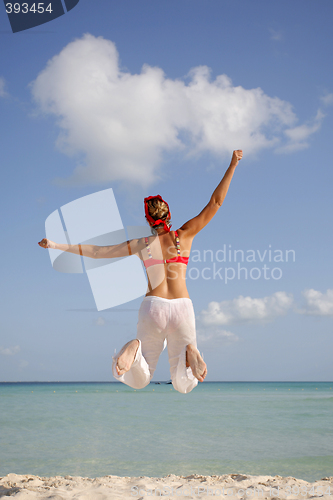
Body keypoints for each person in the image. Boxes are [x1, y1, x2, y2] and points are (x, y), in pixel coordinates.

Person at [39, 149, 242, 394]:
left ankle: (134, 352)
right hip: (182, 307)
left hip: (152, 308)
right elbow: (215, 203)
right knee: (183, 385)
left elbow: (97, 252)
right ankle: (190, 354)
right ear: (169, 214)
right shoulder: (185, 235)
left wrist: (56, 245)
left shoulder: (143, 244)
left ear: (149, 221)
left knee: (140, 379)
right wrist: (232, 165)